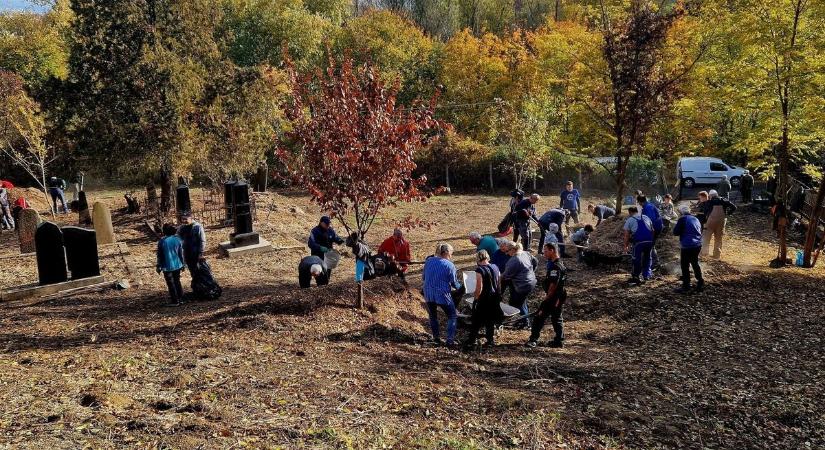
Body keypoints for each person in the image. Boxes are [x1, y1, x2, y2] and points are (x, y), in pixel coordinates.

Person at [526, 243, 567, 348]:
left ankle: (533, 340)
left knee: (539, 316)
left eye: (546, 251)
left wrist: (547, 298)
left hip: (554, 297)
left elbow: (553, 285)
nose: (544, 253)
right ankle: (559, 340)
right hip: (558, 296)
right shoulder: (559, 264)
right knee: (556, 317)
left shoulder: (556, 267)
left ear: (552, 250)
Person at [462, 250, 504, 350]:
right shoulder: (495, 267)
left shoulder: (479, 270)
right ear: (487, 257)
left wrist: (475, 300)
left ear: (478, 259)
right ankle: (490, 340)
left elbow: (479, 288)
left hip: (484, 299)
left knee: (476, 320)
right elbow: (499, 282)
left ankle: (471, 341)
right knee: (490, 320)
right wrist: (499, 295)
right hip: (494, 298)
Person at [422, 243, 462, 347]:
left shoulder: (428, 261)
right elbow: (454, 283)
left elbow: (423, 277)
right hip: (442, 294)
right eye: (451, 253)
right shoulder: (449, 265)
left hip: (428, 293)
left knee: (433, 316)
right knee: (452, 316)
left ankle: (436, 338)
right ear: (446, 253)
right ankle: (449, 340)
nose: (451, 256)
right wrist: (462, 287)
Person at [178, 212, 222, 300]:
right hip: (187, 254)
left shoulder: (197, 227)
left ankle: (207, 289)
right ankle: (198, 289)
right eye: (182, 219)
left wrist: (201, 253)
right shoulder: (182, 228)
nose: (184, 221)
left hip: (196, 254)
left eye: (185, 219)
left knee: (201, 272)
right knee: (193, 272)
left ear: (190, 218)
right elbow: (178, 239)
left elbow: (202, 241)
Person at [501, 242, 537, 329]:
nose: (507, 253)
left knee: (518, 304)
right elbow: (535, 261)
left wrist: (497, 279)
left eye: (508, 251)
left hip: (523, 285)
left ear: (513, 249)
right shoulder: (525, 253)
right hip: (531, 281)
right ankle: (523, 320)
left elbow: (505, 276)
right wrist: (532, 271)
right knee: (521, 302)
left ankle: (525, 323)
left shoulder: (514, 260)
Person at [672, 205, 704, 294]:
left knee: (685, 265)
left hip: (688, 245)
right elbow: (700, 230)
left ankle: (686, 286)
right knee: (695, 263)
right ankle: (700, 282)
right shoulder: (696, 219)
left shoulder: (682, 219)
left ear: (681, 212)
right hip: (698, 244)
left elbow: (675, 232)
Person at [156, 223, 186, 306]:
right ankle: (181, 298)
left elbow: (160, 255)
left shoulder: (162, 241)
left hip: (167, 266)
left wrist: (158, 266)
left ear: (164, 231)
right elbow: (181, 253)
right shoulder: (178, 240)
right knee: (177, 281)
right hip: (177, 265)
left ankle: (175, 301)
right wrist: (183, 264)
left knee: (171, 283)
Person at [623, 206, 654, 285]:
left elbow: (626, 235)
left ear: (630, 212)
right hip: (649, 241)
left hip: (639, 243)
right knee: (647, 258)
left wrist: (626, 246)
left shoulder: (630, 220)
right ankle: (646, 275)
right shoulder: (646, 217)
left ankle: (636, 276)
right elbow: (652, 230)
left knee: (636, 259)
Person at [701, 190, 736, 259]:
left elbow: (705, 212)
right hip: (721, 223)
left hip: (710, 223)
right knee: (718, 239)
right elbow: (734, 207)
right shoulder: (724, 200)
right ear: (717, 195)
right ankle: (717, 255)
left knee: (707, 238)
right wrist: (728, 213)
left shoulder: (709, 202)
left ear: (710, 196)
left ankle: (705, 254)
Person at [638, 195, 663, 269]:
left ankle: (654, 263)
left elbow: (650, 220)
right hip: (655, 227)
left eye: (638, 202)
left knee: (650, 245)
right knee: (650, 244)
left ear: (640, 202)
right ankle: (653, 261)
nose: (639, 204)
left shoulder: (648, 207)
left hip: (655, 228)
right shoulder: (649, 205)